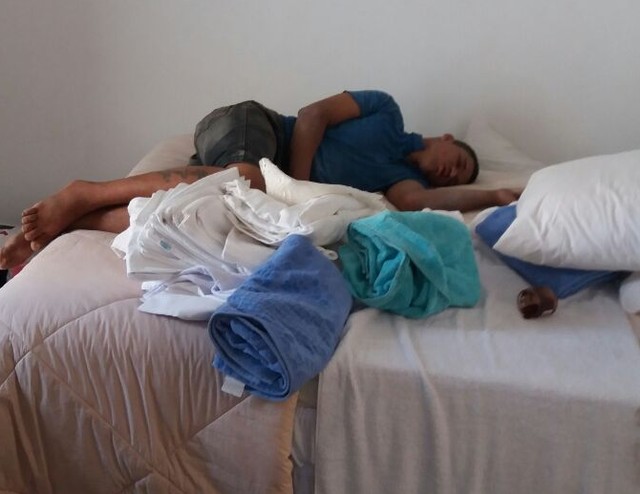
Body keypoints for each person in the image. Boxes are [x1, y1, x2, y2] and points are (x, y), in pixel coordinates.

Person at [0, 90, 520, 270]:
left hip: (260, 175)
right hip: (254, 126)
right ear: (446, 137)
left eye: (462, 174)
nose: (456, 169)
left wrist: (494, 193)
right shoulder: (387, 112)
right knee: (247, 179)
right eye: (460, 158)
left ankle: (76, 224)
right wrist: (293, 185)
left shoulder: (399, 182)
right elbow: (313, 115)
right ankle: (85, 192)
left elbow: (418, 202)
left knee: (219, 216)